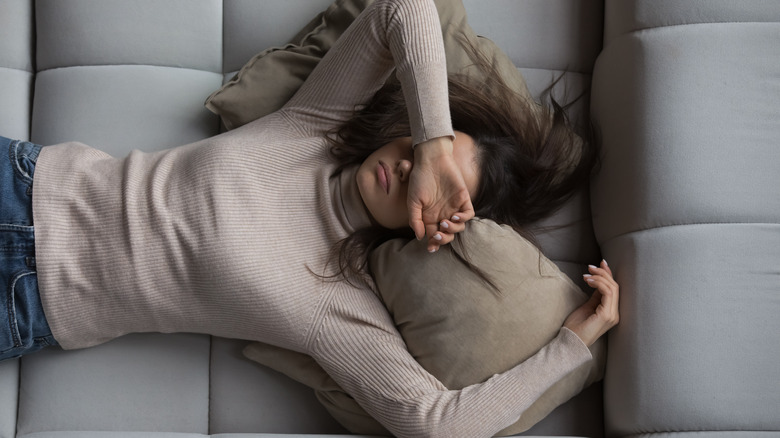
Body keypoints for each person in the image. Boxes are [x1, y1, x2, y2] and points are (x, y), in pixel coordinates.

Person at [0, 0, 619, 436]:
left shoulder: (338, 307)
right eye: (420, 153)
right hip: (26, 182)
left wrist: (569, 347)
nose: (408, 171)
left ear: (441, 230)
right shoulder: (314, 126)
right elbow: (403, 10)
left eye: (438, 192)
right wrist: (436, 144)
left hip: (28, 300)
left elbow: (439, 425)